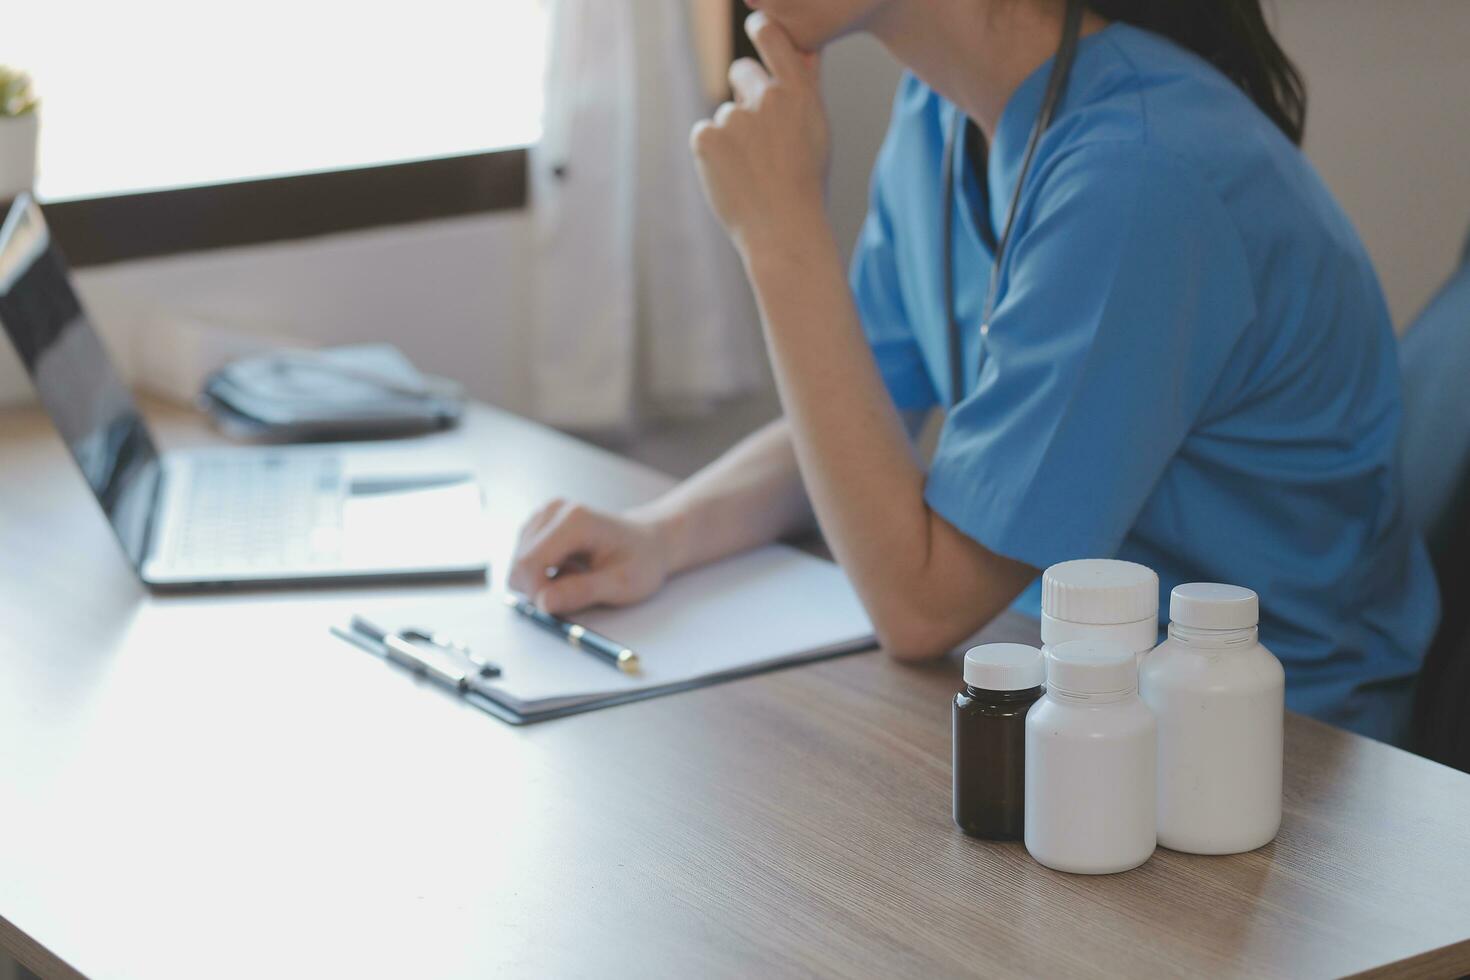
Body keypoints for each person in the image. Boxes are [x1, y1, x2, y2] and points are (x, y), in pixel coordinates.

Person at [509, 0, 1439, 744]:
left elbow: (919, 604)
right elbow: (851, 424)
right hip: (1063, 689)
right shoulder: (939, 116)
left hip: (1268, 752)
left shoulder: (1139, 175)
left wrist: (780, 236)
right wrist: (661, 536)